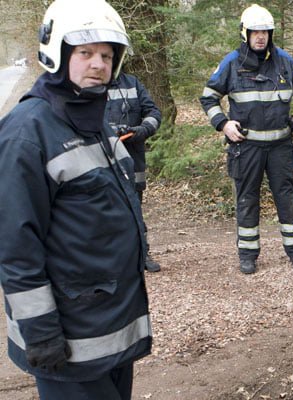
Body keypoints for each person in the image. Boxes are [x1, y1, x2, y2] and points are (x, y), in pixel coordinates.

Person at [0, 1, 152, 399]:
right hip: (68, 339)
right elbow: (15, 245)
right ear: (58, 53)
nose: (98, 64)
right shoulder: (27, 133)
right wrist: (40, 332)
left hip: (108, 324)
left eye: (106, 55)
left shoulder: (93, 120)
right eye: (85, 53)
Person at [200, 4, 293, 275]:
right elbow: (208, 97)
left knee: (287, 199)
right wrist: (224, 123)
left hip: (280, 146)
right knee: (247, 200)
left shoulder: (285, 61)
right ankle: (248, 254)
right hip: (246, 147)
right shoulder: (231, 63)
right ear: (245, 33)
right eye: (255, 32)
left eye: (265, 32)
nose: (260, 37)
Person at [106, 71, 162, 272]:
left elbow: (153, 113)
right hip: (100, 158)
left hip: (132, 159)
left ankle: (141, 253)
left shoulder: (131, 83)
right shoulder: (85, 83)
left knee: (134, 208)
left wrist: (141, 130)